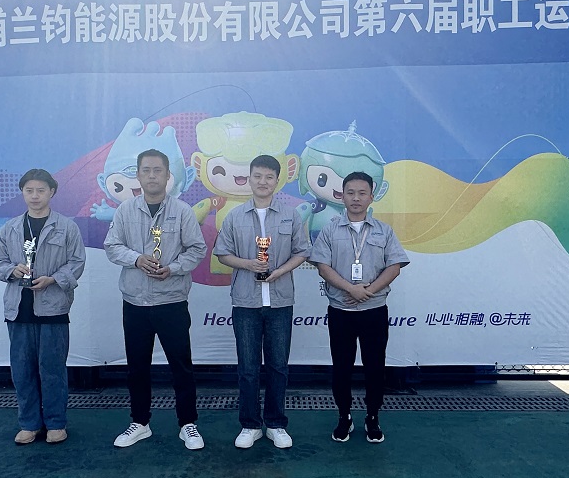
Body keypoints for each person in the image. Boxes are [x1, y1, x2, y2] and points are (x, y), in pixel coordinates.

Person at [104, 149, 209, 450]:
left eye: (157, 170)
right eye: (146, 170)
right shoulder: (125, 210)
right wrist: (137, 259)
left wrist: (173, 268)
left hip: (171, 301)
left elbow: (197, 249)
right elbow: (112, 246)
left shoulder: (182, 211)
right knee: (137, 366)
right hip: (135, 302)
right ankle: (140, 423)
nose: (152, 176)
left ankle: (188, 424)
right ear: (138, 175)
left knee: (181, 366)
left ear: (168, 176)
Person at [214, 154, 310, 449]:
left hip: (280, 301)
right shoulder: (235, 216)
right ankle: (250, 424)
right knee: (248, 367)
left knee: (278, 366)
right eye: (257, 176)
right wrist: (247, 264)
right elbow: (222, 253)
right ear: (250, 179)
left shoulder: (290, 215)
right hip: (246, 302)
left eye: (269, 177)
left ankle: (276, 424)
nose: (263, 182)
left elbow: (302, 251)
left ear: (277, 181)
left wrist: (279, 271)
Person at [309, 171, 409, 444]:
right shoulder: (330, 229)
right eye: (350, 193)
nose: (356, 198)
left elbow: (395, 266)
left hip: (374, 309)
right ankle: (344, 416)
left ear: (371, 197)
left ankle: (372, 417)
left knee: (375, 366)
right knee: (341, 367)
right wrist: (350, 289)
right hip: (340, 310)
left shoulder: (384, 231)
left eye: (362, 193)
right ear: (342, 196)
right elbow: (323, 266)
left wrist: (367, 291)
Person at [0, 169, 86, 445]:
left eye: (41, 190)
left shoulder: (66, 227)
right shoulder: (9, 228)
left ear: (52, 192)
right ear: (22, 192)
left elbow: (77, 262)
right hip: (18, 309)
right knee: (22, 370)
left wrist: (53, 279)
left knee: (52, 368)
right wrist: (13, 270)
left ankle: (56, 423)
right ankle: (29, 423)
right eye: (29, 190)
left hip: (53, 308)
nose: (35, 196)